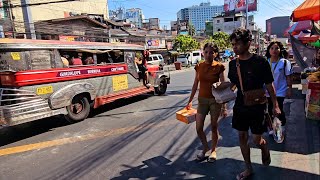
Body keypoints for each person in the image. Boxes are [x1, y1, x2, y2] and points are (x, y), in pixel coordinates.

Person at [227, 28, 281, 180]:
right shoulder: (233, 64)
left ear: (248, 43)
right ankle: (248, 167)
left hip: (258, 106)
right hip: (240, 105)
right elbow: (234, 85)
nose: (234, 47)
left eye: (237, 44)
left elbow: (270, 86)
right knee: (242, 137)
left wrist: (275, 105)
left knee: (256, 139)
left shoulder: (260, 62)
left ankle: (264, 147)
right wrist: (222, 89)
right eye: (233, 44)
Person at [186, 43, 227, 162]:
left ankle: (213, 151)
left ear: (216, 54)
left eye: (211, 52)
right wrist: (189, 101)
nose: (208, 55)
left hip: (215, 101)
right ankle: (205, 148)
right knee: (199, 127)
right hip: (202, 100)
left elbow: (223, 87)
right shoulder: (199, 66)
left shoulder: (219, 66)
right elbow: (195, 84)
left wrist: (224, 107)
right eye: (206, 52)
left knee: (214, 126)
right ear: (203, 53)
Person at [265, 41, 293, 134]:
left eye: (276, 48)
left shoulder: (285, 62)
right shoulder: (265, 62)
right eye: (272, 48)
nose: (274, 50)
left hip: (280, 90)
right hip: (267, 91)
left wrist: (289, 88)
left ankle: (282, 125)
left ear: (280, 50)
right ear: (269, 50)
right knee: (269, 110)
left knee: (278, 108)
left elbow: (288, 76)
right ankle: (272, 128)